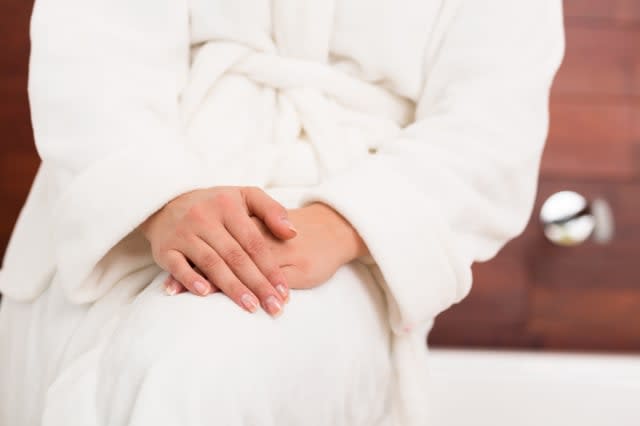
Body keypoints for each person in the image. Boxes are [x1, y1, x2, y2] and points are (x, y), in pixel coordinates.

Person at [0, 1, 565, 425]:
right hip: (121, 220)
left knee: (202, 367)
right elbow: (94, 50)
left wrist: (344, 222)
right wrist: (160, 198)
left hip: (341, 233)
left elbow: (491, 125)